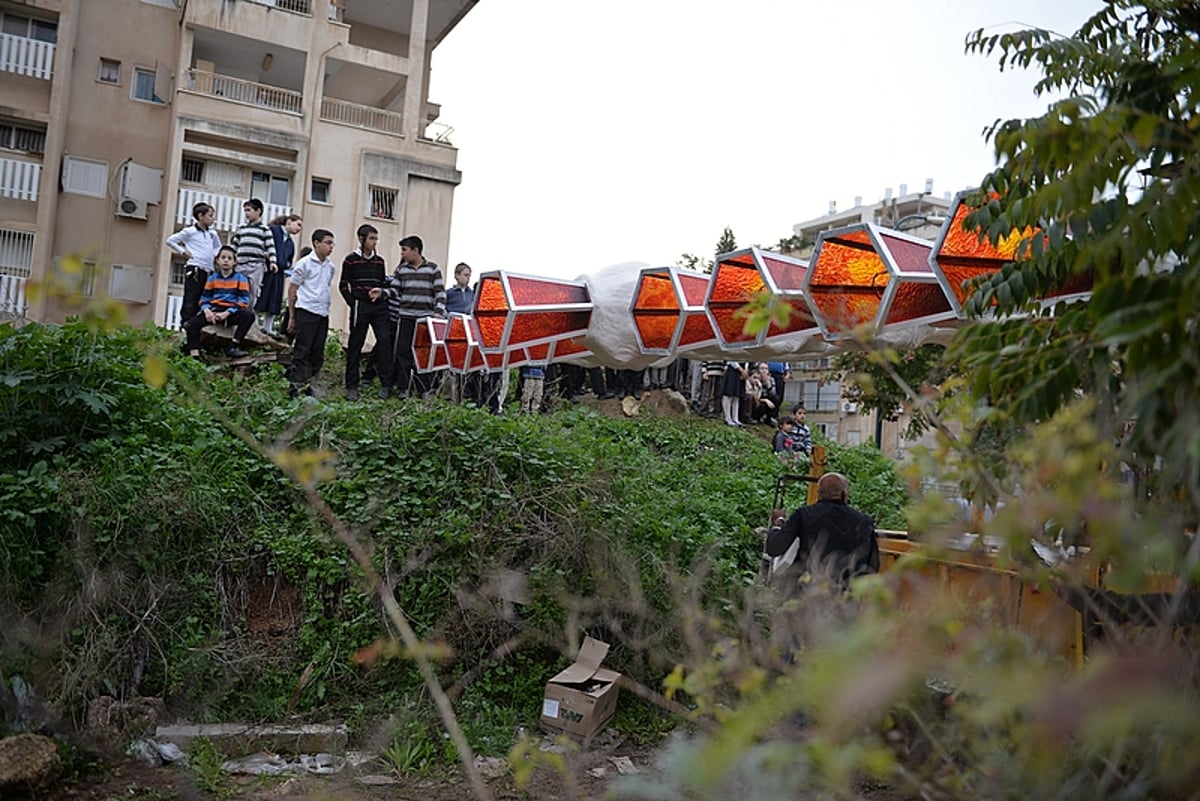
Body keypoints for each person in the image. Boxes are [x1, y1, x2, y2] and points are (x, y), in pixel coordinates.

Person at [765, 472, 879, 592]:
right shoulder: (864, 521)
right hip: (845, 597)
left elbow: (774, 548)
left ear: (818, 495)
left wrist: (778, 524)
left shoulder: (803, 515)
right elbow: (873, 566)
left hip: (807, 594)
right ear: (844, 494)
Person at [385, 235, 446, 399]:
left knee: (423, 354)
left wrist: (438, 313)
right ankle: (404, 388)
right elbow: (394, 290)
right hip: (405, 317)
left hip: (425, 320)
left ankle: (423, 389)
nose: (402, 254)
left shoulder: (433, 269)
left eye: (405, 250)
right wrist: (382, 293)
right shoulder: (402, 270)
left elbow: (440, 293)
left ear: (415, 250)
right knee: (403, 352)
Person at [339, 224, 395, 401]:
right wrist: (353, 303)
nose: (374, 242)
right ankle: (352, 386)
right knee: (355, 345)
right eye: (371, 238)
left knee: (385, 342)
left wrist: (380, 293)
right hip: (360, 306)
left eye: (376, 239)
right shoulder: (350, 260)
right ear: (362, 239)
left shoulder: (380, 261)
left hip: (378, 306)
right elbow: (343, 285)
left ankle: (386, 384)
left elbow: (382, 283)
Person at [181, 245, 255, 359]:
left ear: (234, 262)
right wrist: (207, 311)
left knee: (249, 316)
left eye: (229, 258)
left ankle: (234, 346)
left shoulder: (241, 278)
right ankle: (194, 356)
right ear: (217, 260)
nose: (226, 260)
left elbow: (243, 300)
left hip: (231, 312)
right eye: (223, 257)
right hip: (214, 310)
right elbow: (204, 298)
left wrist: (227, 313)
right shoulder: (213, 278)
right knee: (191, 324)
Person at [287, 229, 336, 399]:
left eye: (332, 243)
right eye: (328, 243)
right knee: (302, 351)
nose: (331, 247)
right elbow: (293, 289)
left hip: (322, 312)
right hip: (306, 311)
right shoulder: (304, 264)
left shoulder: (330, 267)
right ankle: (295, 388)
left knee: (318, 352)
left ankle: (311, 386)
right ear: (316, 243)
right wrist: (292, 317)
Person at [166, 201, 222, 326]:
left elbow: (218, 246)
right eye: (210, 215)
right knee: (192, 295)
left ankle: (201, 322)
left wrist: (214, 255)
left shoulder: (212, 234)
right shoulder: (190, 231)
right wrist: (183, 251)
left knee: (206, 296)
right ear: (200, 216)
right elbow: (170, 240)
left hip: (209, 269)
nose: (213, 219)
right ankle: (186, 322)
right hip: (195, 267)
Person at [257, 213, 302, 336]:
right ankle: (255, 325)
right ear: (289, 221)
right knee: (261, 297)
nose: (299, 229)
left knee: (274, 299)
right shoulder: (273, 230)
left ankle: (268, 327)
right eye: (298, 224)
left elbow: (289, 260)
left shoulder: (290, 243)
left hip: (279, 273)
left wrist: (286, 265)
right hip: (266, 269)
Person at [231, 198, 277, 310]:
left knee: (253, 289)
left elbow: (270, 246)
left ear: (258, 211)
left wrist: (272, 261)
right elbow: (234, 245)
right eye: (245, 210)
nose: (246, 213)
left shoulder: (264, 229)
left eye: (249, 210)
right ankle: (234, 309)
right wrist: (231, 258)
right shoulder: (241, 228)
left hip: (256, 264)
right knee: (236, 287)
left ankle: (248, 311)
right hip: (240, 263)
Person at [721, 361, 748, 426]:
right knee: (728, 394)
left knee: (736, 396)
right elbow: (731, 359)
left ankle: (735, 418)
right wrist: (740, 369)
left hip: (742, 371)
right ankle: (727, 418)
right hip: (732, 369)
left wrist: (745, 371)